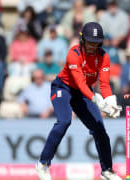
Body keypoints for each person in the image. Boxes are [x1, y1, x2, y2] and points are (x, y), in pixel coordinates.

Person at [35, 22, 122, 180]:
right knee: (64, 121)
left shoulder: (103, 56)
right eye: (89, 41)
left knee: (100, 130)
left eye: (96, 43)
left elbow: (104, 84)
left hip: (84, 93)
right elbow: (80, 82)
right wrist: (97, 100)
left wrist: (111, 103)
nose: (92, 46)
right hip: (63, 88)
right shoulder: (73, 53)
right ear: (82, 40)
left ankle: (107, 170)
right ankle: (43, 164)